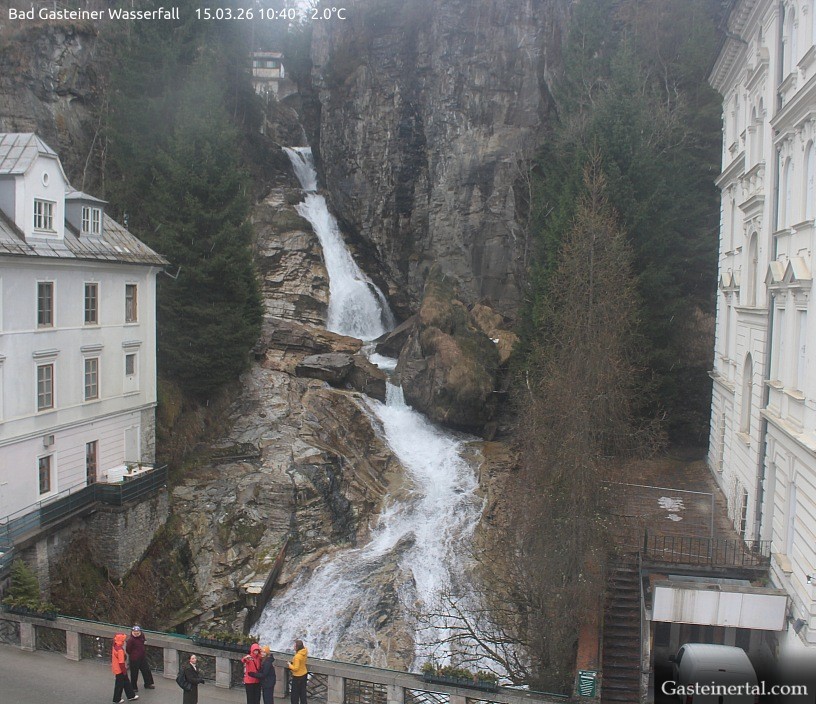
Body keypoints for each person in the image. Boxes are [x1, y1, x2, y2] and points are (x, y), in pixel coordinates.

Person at [111, 632, 138, 702]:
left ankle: (131, 695)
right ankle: (117, 699)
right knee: (119, 684)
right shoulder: (120, 650)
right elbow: (121, 662)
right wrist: (124, 671)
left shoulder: (115, 646)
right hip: (120, 669)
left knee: (125, 682)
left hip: (116, 668)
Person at [126, 625, 155, 691]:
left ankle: (148, 683)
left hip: (142, 657)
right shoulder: (131, 640)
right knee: (134, 673)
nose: (136, 633)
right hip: (134, 658)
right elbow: (128, 649)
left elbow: (144, 642)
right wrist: (133, 654)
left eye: (137, 631)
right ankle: (134, 687)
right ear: (132, 632)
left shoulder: (142, 636)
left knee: (146, 671)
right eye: (135, 631)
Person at [287, 639, 308, 704]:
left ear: (297, 647)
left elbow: (296, 668)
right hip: (304, 674)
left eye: (295, 646)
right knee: (302, 693)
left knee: (295, 695)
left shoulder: (297, 657)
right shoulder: (305, 651)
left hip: (297, 677)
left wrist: (289, 665)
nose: (293, 647)